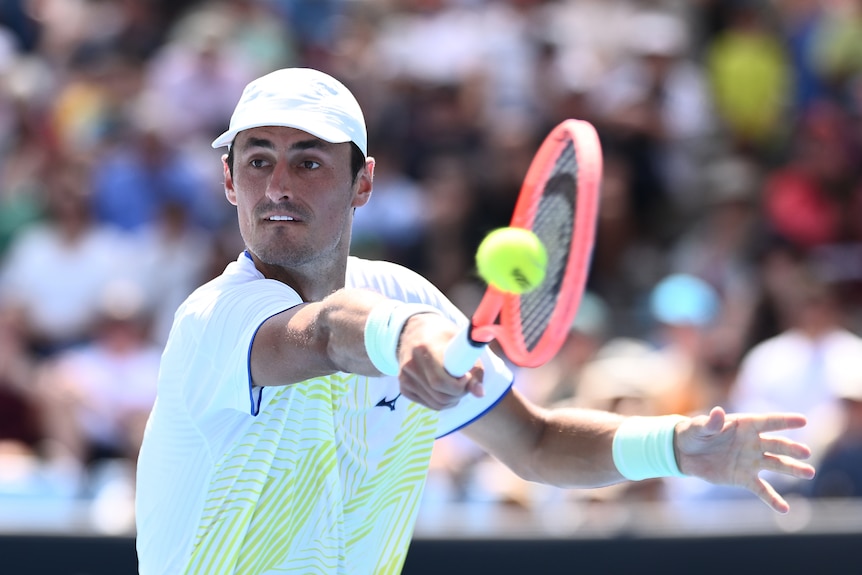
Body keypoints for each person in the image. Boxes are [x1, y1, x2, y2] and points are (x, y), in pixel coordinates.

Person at [134, 67, 816, 575]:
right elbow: (325, 330)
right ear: (228, 181)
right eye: (257, 161)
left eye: (308, 160)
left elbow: (538, 442)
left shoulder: (406, 293)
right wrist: (408, 338)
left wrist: (672, 446)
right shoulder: (215, 318)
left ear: (362, 182)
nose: (277, 184)